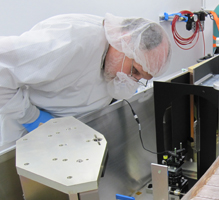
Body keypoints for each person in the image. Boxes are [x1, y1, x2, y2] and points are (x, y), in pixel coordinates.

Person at [0, 13, 172, 146]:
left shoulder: (115, 60)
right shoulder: (70, 41)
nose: (133, 80)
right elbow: (3, 68)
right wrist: (32, 118)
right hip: (24, 139)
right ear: (124, 41)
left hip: (68, 139)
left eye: (141, 78)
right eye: (135, 71)